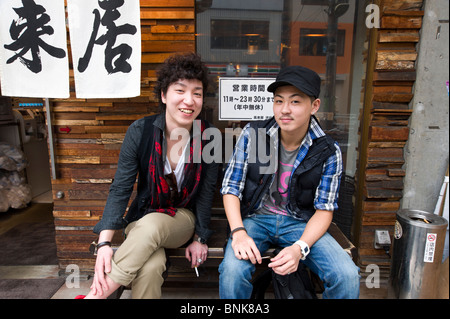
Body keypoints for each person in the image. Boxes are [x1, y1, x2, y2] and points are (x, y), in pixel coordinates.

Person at [84, 52, 219, 299]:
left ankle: (96, 296)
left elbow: (207, 192)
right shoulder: (140, 131)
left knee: (152, 225)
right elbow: (121, 187)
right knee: (150, 266)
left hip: (181, 220)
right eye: (180, 91)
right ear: (164, 95)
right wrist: (104, 243)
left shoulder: (209, 136)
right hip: (142, 217)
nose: (189, 101)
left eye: (197, 93)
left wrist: (200, 237)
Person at [219, 65, 360, 299]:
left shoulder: (328, 150)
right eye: (278, 101)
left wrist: (299, 248)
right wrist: (239, 232)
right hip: (255, 219)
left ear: (314, 106)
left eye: (295, 102)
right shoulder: (252, 133)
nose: (285, 110)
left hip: (301, 223)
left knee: (346, 275)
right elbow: (231, 188)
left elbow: (325, 210)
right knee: (232, 272)